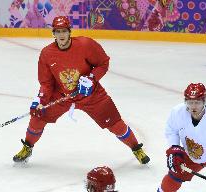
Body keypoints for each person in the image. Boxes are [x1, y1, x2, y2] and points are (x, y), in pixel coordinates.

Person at [13, 16, 150, 165]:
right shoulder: (47, 54)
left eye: (64, 31)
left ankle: (136, 148)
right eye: (58, 31)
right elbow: (46, 83)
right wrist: (39, 100)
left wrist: (92, 78)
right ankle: (27, 148)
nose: (61, 35)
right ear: (53, 33)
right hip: (61, 95)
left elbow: (103, 63)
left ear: (69, 31)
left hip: (91, 95)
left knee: (115, 123)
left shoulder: (86, 45)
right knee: (37, 118)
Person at [157, 83, 206, 192]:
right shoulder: (177, 112)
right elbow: (171, 130)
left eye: (197, 103)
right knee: (174, 176)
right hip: (190, 153)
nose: (193, 107)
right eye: (190, 102)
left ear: (204, 101)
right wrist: (174, 148)